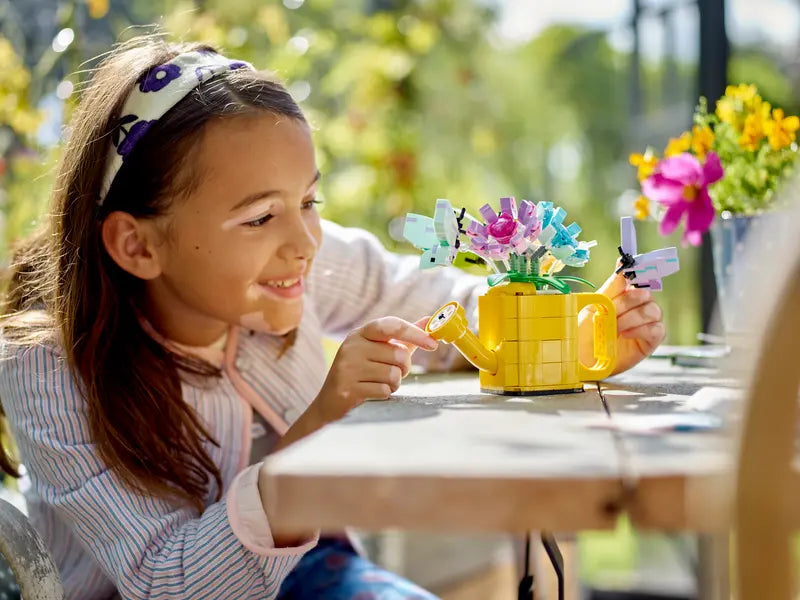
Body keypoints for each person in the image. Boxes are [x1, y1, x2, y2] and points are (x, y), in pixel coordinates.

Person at [0, 37, 665, 600]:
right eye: (260, 216)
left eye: (309, 200)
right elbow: (166, 582)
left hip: (308, 571)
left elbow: (443, 307)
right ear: (138, 245)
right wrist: (319, 425)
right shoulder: (48, 367)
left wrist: (578, 335)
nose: (306, 241)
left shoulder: (300, 263)